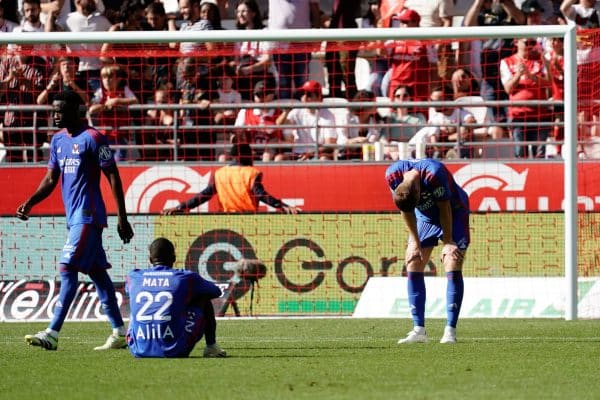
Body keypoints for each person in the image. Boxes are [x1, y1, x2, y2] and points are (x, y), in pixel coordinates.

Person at [17, 90, 134, 351]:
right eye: (53, 111)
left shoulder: (94, 138)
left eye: (59, 111)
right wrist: (30, 202)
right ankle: (118, 332)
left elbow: (113, 176)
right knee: (98, 275)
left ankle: (52, 332)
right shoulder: (58, 141)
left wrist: (122, 218)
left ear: (75, 110)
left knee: (67, 268)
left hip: (88, 215)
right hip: (74, 219)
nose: (55, 115)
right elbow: (50, 180)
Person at [385, 158, 469, 344]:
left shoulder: (434, 173)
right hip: (424, 219)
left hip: (454, 212)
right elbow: (406, 211)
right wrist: (415, 242)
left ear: (418, 191)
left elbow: (444, 207)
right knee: (413, 260)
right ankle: (419, 330)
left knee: (451, 259)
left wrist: (448, 241)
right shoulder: (392, 176)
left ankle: (450, 331)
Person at [126, 237, 227, 358]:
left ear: (150, 259)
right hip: (175, 349)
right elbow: (215, 292)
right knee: (202, 296)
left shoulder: (133, 276)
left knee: (136, 303)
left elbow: (129, 291)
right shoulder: (185, 277)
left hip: (137, 349)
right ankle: (211, 347)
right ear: (174, 258)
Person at [162, 142, 299, 214]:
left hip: (225, 221)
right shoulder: (252, 173)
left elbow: (203, 196)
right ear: (247, 156)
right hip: (249, 220)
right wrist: (283, 206)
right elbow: (262, 195)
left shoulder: (219, 173)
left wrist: (180, 207)